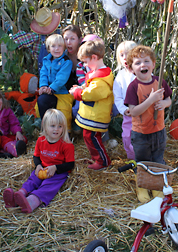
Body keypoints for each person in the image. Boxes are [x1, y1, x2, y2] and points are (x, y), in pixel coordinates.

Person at [2, 109, 75, 213]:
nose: (57, 129)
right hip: (42, 169)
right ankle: (19, 195)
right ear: (45, 126)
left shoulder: (67, 145)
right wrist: (38, 166)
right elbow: (36, 156)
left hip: (57, 173)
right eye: (53, 126)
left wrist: (55, 168)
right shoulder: (41, 140)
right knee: (32, 180)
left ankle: (31, 202)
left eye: (60, 126)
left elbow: (70, 164)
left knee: (48, 186)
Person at [124, 45, 172, 202]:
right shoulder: (133, 87)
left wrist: (164, 104)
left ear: (153, 64)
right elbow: (134, 111)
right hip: (141, 134)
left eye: (146, 61)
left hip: (158, 130)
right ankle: (142, 187)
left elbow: (169, 99)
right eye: (137, 63)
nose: (142, 65)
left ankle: (157, 186)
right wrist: (151, 100)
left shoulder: (160, 82)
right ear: (131, 68)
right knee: (143, 162)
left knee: (158, 160)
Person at [69, 39, 114, 170]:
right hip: (93, 114)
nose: (85, 65)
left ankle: (103, 161)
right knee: (90, 137)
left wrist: (77, 92)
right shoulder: (98, 74)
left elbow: (91, 93)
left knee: (92, 138)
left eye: (86, 61)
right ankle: (97, 158)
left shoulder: (101, 79)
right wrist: (81, 87)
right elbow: (89, 86)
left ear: (94, 57)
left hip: (96, 115)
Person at [37, 34, 73, 123]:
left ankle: (65, 133)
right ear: (49, 48)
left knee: (64, 111)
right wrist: (43, 86)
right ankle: (45, 126)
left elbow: (61, 78)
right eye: (53, 46)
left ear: (64, 48)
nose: (57, 49)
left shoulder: (66, 61)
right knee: (41, 101)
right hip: (49, 90)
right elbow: (43, 74)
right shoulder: (46, 60)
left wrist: (52, 88)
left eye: (60, 46)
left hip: (62, 92)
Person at [113, 40, 138, 160]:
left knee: (141, 137)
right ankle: (132, 158)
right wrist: (123, 109)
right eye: (122, 55)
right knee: (127, 137)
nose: (125, 58)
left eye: (128, 54)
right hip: (128, 114)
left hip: (142, 114)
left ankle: (143, 160)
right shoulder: (120, 76)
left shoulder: (142, 73)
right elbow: (117, 97)